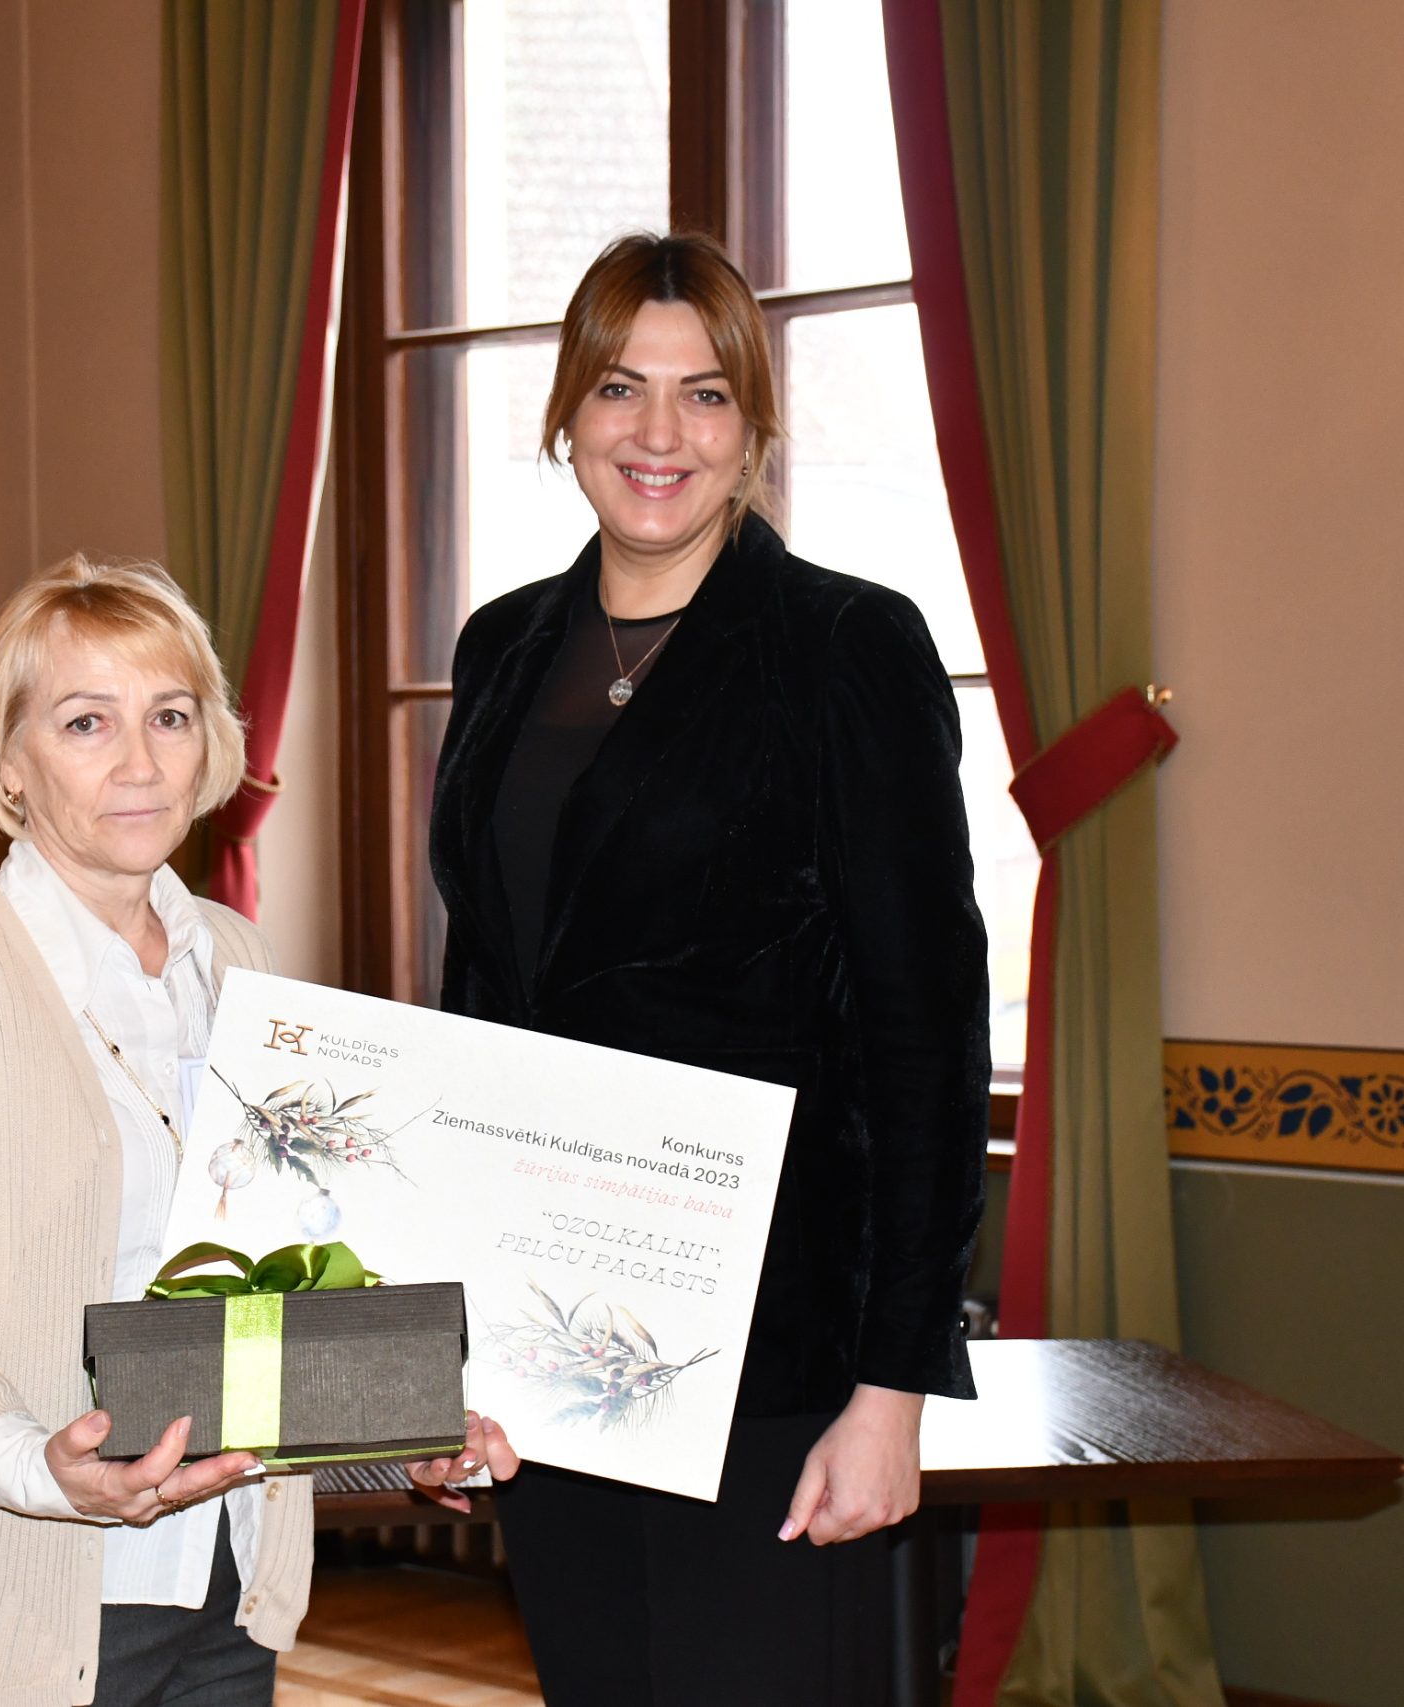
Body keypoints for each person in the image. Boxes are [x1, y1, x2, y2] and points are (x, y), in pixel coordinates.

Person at [428, 231, 990, 1703]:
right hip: (548, 1338)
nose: (659, 433)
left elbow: (924, 1038)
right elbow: (478, 1001)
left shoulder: (845, 646)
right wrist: (445, 1340)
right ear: (568, 414)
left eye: (706, 394)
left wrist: (892, 1389)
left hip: (774, 1350)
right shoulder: (501, 648)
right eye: (621, 387)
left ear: (754, 427)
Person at [0, 553, 508, 1707]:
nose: (139, 762)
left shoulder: (239, 962)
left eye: (170, 717)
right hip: (9, 1608)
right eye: (86, 722)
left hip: (225, 1588)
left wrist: (401, 1432)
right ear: (9, 761)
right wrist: (38, 1469)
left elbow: (276, 1282)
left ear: (210, 744)